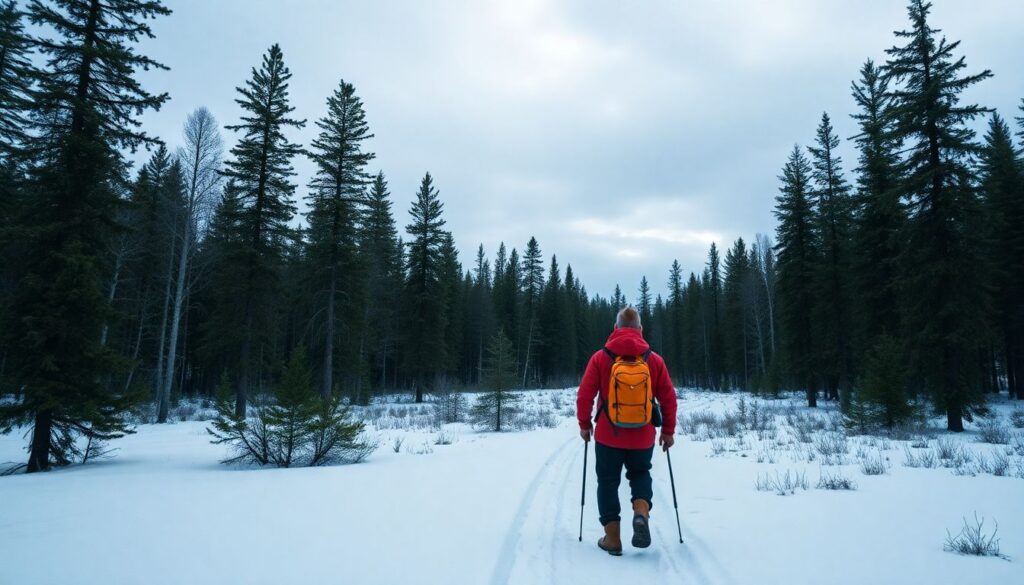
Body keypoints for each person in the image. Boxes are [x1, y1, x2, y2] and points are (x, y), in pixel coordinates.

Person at [576, 306, 678, 556]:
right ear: (640, 330)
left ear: (615, 328)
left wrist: (584, 424)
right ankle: (641, 513)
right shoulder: (654, 360)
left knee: (608, 482)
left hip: (608, 437)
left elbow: (585, 395)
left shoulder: (601, 357)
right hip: (642, 437)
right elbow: (668, 398)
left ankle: (613, 540)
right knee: (640, 473)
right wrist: (667, 431)